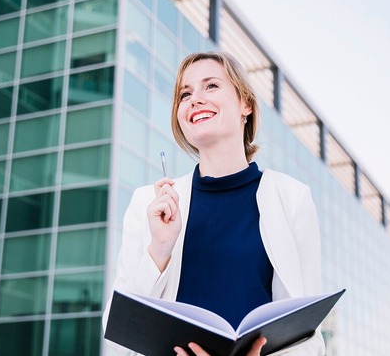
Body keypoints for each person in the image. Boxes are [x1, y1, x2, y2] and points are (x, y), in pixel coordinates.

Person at [103, 52, 324, 355]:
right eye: (185, 93)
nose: (195, 99)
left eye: (211, 86)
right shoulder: (150, 204)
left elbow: (309, 335)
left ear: (245, 104)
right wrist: (159, 249)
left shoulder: (292, 198)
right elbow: (117, 337)